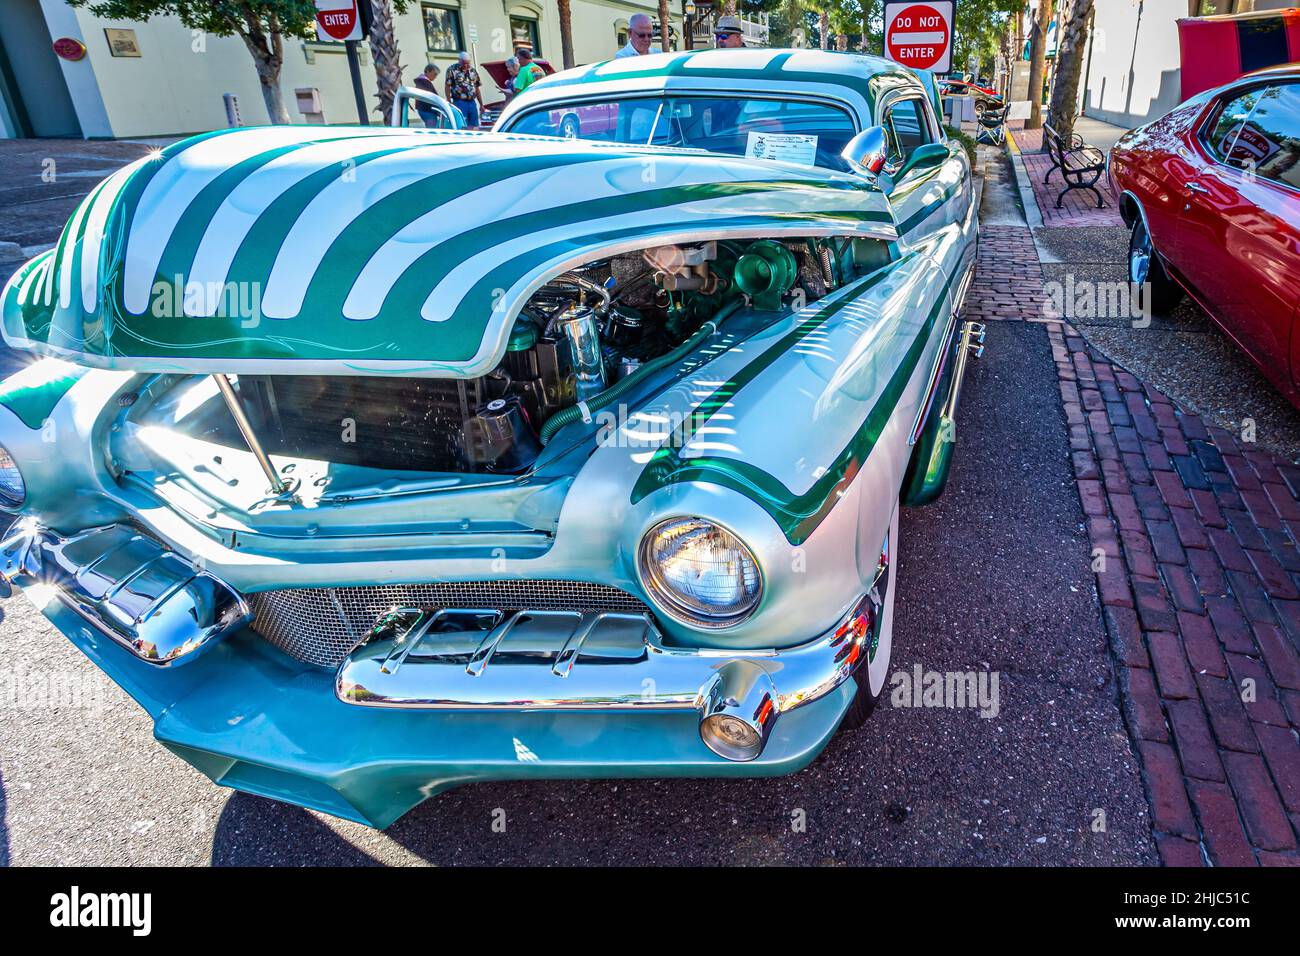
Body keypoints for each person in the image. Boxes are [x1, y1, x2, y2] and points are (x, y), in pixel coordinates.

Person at [445, 51, 484, 129]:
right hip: (459, 102)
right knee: (462, 125)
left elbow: (477, 88)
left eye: (467, 63)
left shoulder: (473, 71)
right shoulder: (451, 70)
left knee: (474, 125)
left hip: (472, 102)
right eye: (463, 63)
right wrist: (449, 101)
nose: (466, 65)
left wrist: (481, 104)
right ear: (459, 60)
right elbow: (447, 86)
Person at [412, 63, 442, 127]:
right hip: (428, 110)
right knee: (432, 130)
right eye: (435, 74)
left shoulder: (422, 81)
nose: (435, 77)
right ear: (428, 71)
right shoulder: (424, 82)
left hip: (425, 110)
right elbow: (430, 97)